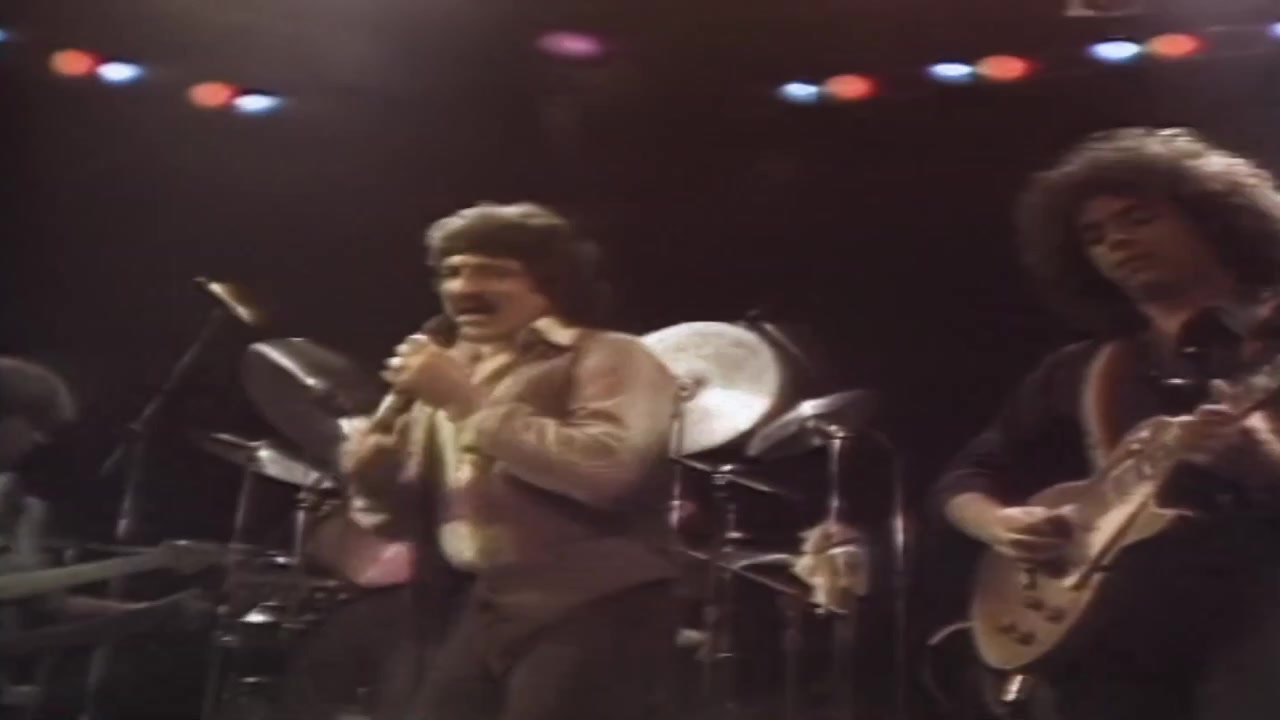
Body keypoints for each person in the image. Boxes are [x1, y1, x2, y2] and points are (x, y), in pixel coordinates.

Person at [934, 127, 1280, 720]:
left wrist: (1264, 464)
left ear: (1215, 219)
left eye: (1139, 218)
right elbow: (968, 475)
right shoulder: (1085, 368)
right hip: (1110, 645)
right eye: (1094, 236)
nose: (1116, 240)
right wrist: (1001, 524)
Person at [339, 202, 680, 720]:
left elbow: (609, 471)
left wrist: (465, 402)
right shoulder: (443, 373)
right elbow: (399, 522)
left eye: (494, 272)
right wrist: (373, 475)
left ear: (550, 284)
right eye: (452, 272)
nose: (464, 288)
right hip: (484, 600)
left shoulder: (610, 354)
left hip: (595, 598)